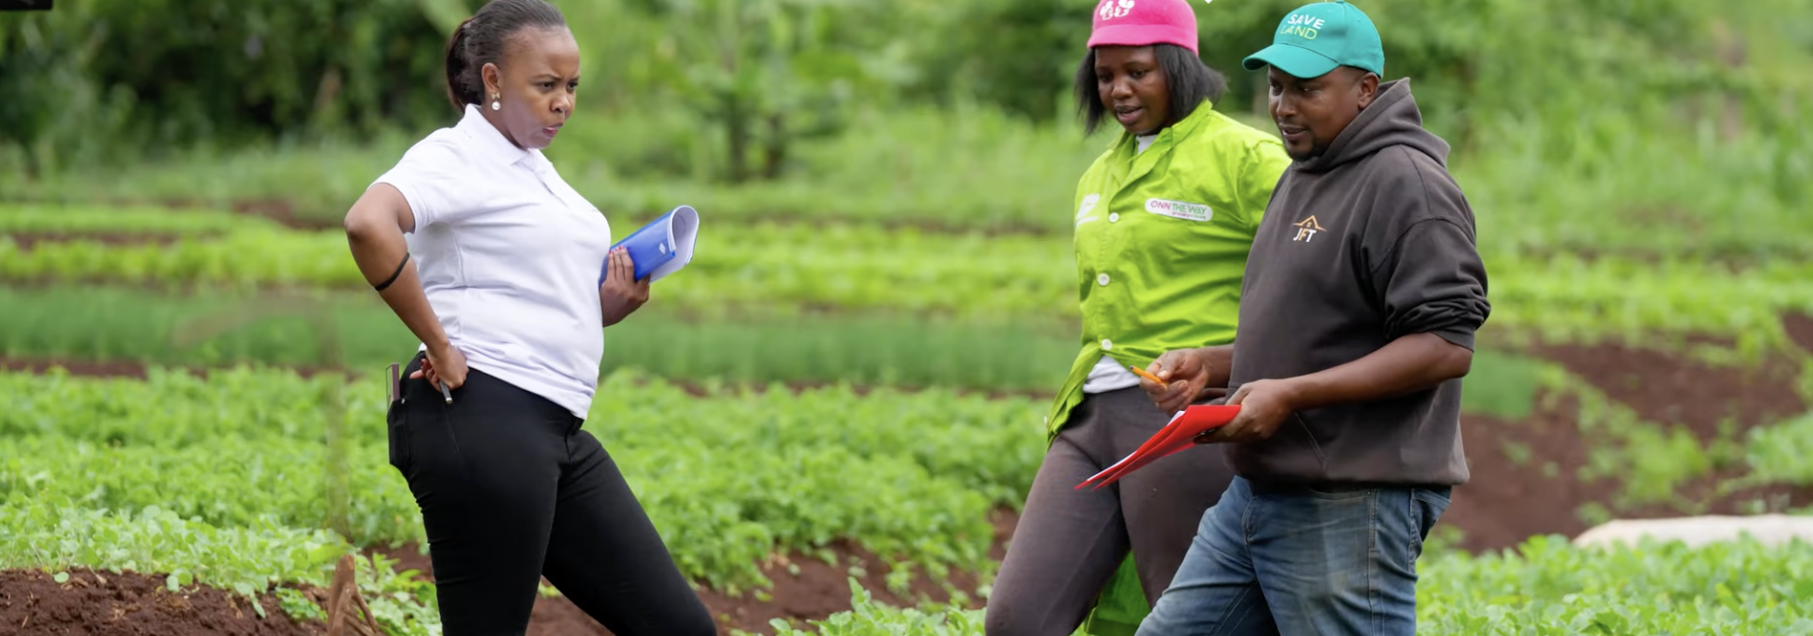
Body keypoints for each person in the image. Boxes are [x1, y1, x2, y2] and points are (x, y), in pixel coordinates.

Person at [340, 1, 716, 634]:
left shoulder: (536, 171)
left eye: (570, 87)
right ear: (492, 81)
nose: (563, 102)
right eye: (545, 85)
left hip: (555, 429)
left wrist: (605, 308)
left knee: (679, 627)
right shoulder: (456, 155)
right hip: (482, 417)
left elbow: (529, 297)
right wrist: (440, 343)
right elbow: (367, 224)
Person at [1131, 1, 1491, 635]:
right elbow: (1317, 331)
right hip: (1261, 488)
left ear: (1365, 89)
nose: (1284, 106)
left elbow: (1444, 344)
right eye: (1276, 87)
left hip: (1350, 497)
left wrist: (1291, 394)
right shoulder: (1306, 170)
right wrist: (1213, 366)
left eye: (1307, 89)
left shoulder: (1406, 184)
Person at [983, 0, 1292, 634]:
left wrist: (1231, 367)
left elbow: (1317, 280)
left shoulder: (1247, 159)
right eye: (1104, 75)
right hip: (1091, 417)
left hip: (1183, 422)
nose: (1118, 90)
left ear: (1179, 67)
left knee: (1185, 621)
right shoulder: (1100, 174)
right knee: (1018, 618)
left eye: (1138, 71)